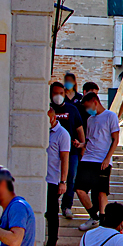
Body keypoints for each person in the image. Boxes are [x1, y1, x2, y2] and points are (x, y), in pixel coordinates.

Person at [75, 90, 120, 230]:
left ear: (95, 102)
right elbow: (91, 140)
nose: (88, 110)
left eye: (88, 106)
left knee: (101, 192)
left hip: (102, 159)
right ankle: (93, 216)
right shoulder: (90, 120)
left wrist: (107, 158)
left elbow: (115, 139)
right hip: (88, 158)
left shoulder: (110, 116)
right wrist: (81, 145)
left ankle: (103, 221)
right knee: (79, 189)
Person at [49, 80, 85, 221]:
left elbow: (79, 129)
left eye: (61, 93)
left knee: (70, 178)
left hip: (71, 152)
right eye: (55, 93)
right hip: (51, 152)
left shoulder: (72, 109)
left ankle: (67, 206)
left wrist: (82, 146)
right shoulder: (47, 109)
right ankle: (51, 204)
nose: (58, 96)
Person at [45, 105, 70, 246]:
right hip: (41, 178)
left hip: (53, 180)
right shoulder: (42, 131)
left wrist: (63, 181)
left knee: (52, 213)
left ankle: (52, 244)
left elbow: (64, 159)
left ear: (54, 118)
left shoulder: (62, 134)